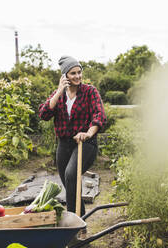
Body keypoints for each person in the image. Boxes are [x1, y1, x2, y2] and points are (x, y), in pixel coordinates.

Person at [39, 55, 106, 217]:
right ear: (64, 76)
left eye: (79, 72)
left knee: (71, 175)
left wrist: (88, 133)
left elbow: (99, 115)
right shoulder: (58, 95)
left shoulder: (90, 92)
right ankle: (80, 222)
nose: (77, 76)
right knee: (70, 184)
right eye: (72, 73)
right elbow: (44, 114)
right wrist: (59, 91)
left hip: (85, 143)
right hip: (64, 145)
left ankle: (73, 224)